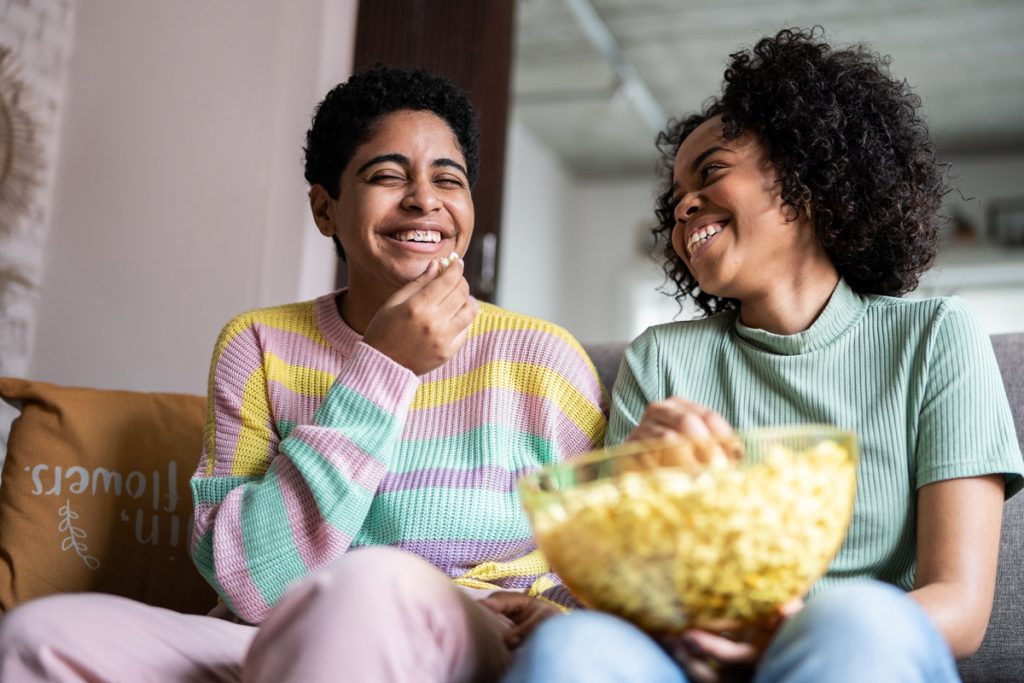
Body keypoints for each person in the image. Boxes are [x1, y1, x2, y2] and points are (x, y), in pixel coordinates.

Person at [0, 66, 607, 682]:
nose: (424, 198)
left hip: (462, 631)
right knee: (40, 636)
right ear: (326, 209)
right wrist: (383, 368)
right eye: (386, 175)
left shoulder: (545, 360)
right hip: (280, 629)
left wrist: (560, 615)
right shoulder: (259, 343)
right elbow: (255, 587)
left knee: (373, 582)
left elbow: (606, 569)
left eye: (447, 179)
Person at [502, 27, 1023, 683]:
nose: (683, 203)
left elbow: (961, 606)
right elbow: (626, 600)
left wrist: (789, 634)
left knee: (857, 617)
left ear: (806, 176)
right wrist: (640, 487)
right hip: (690, 664)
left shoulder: (937, 338)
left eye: (711, 171)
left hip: (864, 647)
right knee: (570, 653)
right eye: (673, 198)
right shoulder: (660, 360)